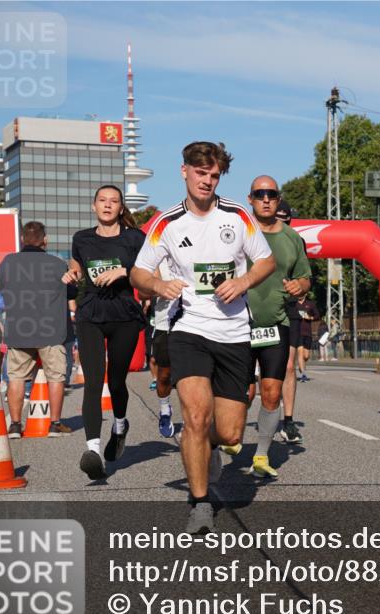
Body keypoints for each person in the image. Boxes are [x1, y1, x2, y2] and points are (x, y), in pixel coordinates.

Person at [132, 141, 275, 534]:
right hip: (189, 329)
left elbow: (266, 260)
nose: (207, 181)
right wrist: (158, 286)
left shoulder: (237, 215)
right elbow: (139, 273)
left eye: (214, 175)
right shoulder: (167, 222)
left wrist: (244, 280)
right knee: (195, 415)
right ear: (184, 172)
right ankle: (199, 502)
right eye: (200, 173)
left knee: (228, 431)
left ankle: (205, 445)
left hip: (233, 333)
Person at [222, 183, 310, 482]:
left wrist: (301, 286)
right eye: (260, 195)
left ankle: (261, 455)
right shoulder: (236, 230)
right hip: (237, 323)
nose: (266, 200)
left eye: (271, 195)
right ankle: (231, 435)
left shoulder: (291, 238)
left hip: (276, 323)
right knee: (244, 392)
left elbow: (305, 277)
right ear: (250, 199)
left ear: (278, 199)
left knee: (271, 392)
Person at [63, 185, 146, 480]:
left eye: (114, 201)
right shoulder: (81, 238)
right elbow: (76, 269)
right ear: (93, 206)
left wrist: (124, 271)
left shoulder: (135, 238)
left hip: (124, 316)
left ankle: (120, 425)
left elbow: (149, 272)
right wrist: (70, 275)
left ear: (121, 208)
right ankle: (93, 450)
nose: (108, 205)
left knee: (117, 380)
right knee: (94, 382)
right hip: (91, 315)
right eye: (102, 201)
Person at [0, 221, 72, 439]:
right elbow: (72, 292)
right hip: (51, 330)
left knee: (17, 377)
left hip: (19, 329)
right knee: (55, 377)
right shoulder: (56, 264)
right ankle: (55, 424)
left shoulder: (8, 262)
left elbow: (3, 288)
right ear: (44, 239)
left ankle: (15, 426)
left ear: (22, 239)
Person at [280, 291, 318, 443]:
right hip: (262, 316)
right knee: (296, 357)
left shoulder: (309, 304)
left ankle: (287, 421)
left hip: (299, 326)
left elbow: (317, 315)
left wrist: (310, 317)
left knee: (297, 361)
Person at [149, 262, 178, 437]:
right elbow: (144, 289)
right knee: (165, 375)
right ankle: (165, 409)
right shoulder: (159, 255)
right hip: (164, 323)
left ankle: (194, 420)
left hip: (195, 323)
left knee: (192, 376)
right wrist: (158, 284)